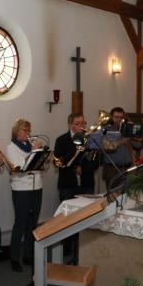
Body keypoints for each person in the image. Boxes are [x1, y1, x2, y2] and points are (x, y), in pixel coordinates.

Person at [53, 113, 96, 264]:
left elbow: (95, 160)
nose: (82, 126)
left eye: (83, 122)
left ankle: (83, 250)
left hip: (86, 182)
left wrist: (84, 167)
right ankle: (66, 249)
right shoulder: (61, 140)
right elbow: (59, 162)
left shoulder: (89, 138)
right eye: (78, 123)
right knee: (67, 218)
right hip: (68, 183)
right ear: (71, 125)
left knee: (85, 217)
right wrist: (75, 165)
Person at [6, 119, 44, 272]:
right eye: (24, 130)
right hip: (21, 189)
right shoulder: (11, 147)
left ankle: (28, 254)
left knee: (32, 223)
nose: (27, 134)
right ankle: (14, 258)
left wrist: (42, 154)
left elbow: (41, 166)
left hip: (37, 187)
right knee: (20, 222)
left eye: (28, 130)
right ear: (16, 132)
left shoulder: (30, 146)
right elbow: (21, 167)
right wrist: (35, 152)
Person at [100, 107, 143, 190]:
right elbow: (106, 147)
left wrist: (137, 137)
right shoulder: (106, 130)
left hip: (127, 168)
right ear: (111, 117)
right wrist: (120, 142)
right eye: (116, 117)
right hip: (112, 169)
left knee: (127, 194)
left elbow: (138, 146)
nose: (119, 119)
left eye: (121, 117)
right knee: (113, 195)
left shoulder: (127, 128)